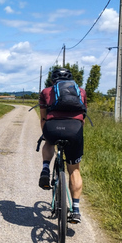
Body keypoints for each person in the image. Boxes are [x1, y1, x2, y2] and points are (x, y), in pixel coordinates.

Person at [38, 68, 87, 224]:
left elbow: (43, 118)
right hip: (75, 129)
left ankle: (45, 168)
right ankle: (76, 210)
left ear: (53, 81)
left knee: (48, 141)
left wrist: (46, 134)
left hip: (53, 128)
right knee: (74, 170)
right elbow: (82, 118)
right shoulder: (81, 91)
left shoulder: (46, 91)